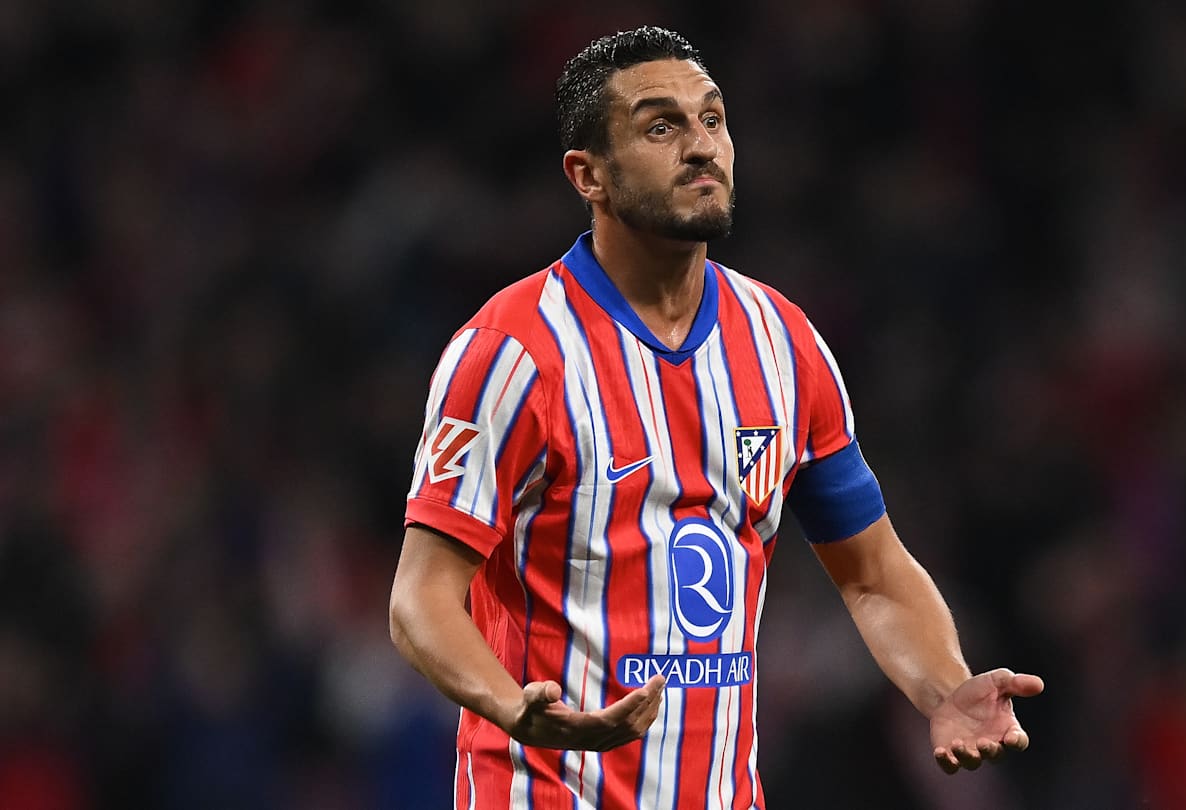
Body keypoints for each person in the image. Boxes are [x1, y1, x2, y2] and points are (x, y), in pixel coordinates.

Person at [388, 25, 1044, 810]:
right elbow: (420, 601)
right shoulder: (512, 353)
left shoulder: (783, 343)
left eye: (712, 119)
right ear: (588, 174)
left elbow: (873, 575)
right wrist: (511, 708)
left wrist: (944, 687)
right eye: (660, 127)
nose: (701, 146)